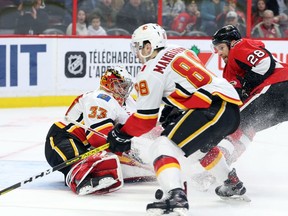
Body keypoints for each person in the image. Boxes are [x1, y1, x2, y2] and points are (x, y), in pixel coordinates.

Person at [106, 23, 247, 215]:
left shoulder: (150, 71)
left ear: (149, 46)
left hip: (211, 108)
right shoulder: (180, 50)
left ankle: (176, 196)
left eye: (139, 46)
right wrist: (174, 107)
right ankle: (231, 183)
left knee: (162, 146)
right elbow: (189, 83)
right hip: (229, 110)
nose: (137, 52)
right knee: (198, 148)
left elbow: (145, 120)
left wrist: (121, 134)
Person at [45, 66, 154, 195]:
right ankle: (79, 177)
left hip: (89, 147)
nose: (124, 90)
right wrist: (127, 145)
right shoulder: (98, 99)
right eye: (120, 85)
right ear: (108, 83)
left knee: (128, 166)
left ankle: (95, 172)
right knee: (79, 163)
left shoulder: (129, 101)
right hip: (63, 138)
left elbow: (142, 126)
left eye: (125, 86)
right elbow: (98, 138)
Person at [211, 24, 288, 167]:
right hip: (281, 101)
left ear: (231, 42)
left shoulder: (238, 47)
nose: (219, 53)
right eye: (216, 50)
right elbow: (238, 97)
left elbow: (265, 62)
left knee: (236, 122)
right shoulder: (229, 71)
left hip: (279, 86)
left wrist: (246, 83)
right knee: (249, 127)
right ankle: (224, 164)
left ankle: (217, 164)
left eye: (221, 48)